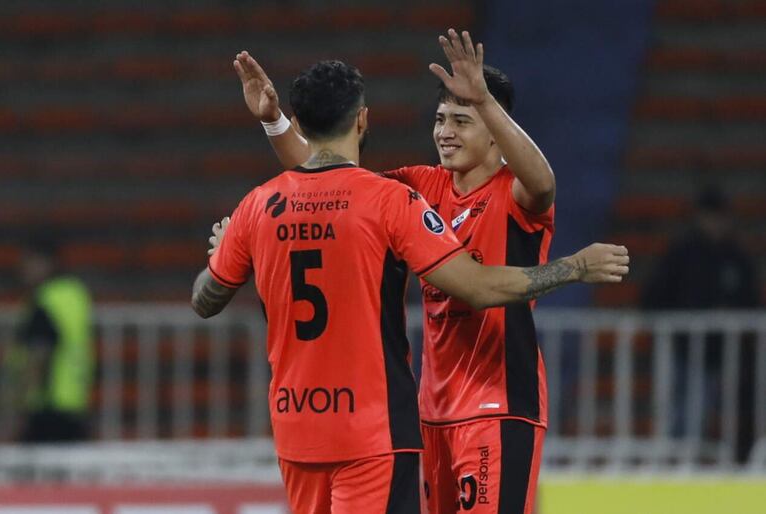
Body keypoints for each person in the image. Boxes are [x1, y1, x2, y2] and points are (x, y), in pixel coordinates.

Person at [195, 57, 628, 514]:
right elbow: (329, 178)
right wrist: (276, 123)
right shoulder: (420, 186)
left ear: (496, 133)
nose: (445, 132)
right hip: (431, 410)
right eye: (440, 119)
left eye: (462, 121)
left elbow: (543, 184)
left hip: (496, 405)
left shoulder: (514, 193)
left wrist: (483, 98)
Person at [642, 186, 759, 463]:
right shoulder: (682, 253)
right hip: (678, 347)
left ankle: (688, 465)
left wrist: (727, 315)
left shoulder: (735, 258)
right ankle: (670, 466)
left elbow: (750, 302)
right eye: (711, 216)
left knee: (698, 413)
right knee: (671, 413)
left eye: (720, 217)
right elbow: (653, 297)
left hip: (715, 354)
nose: (716, 223)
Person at [8, 236, 94, 443]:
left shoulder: (46, 299)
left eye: (28, 262)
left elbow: (40, 352)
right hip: (74, 402)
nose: (23, 269)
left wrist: (21, 405)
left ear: (45, 262)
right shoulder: (75, 293)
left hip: (46, 407)